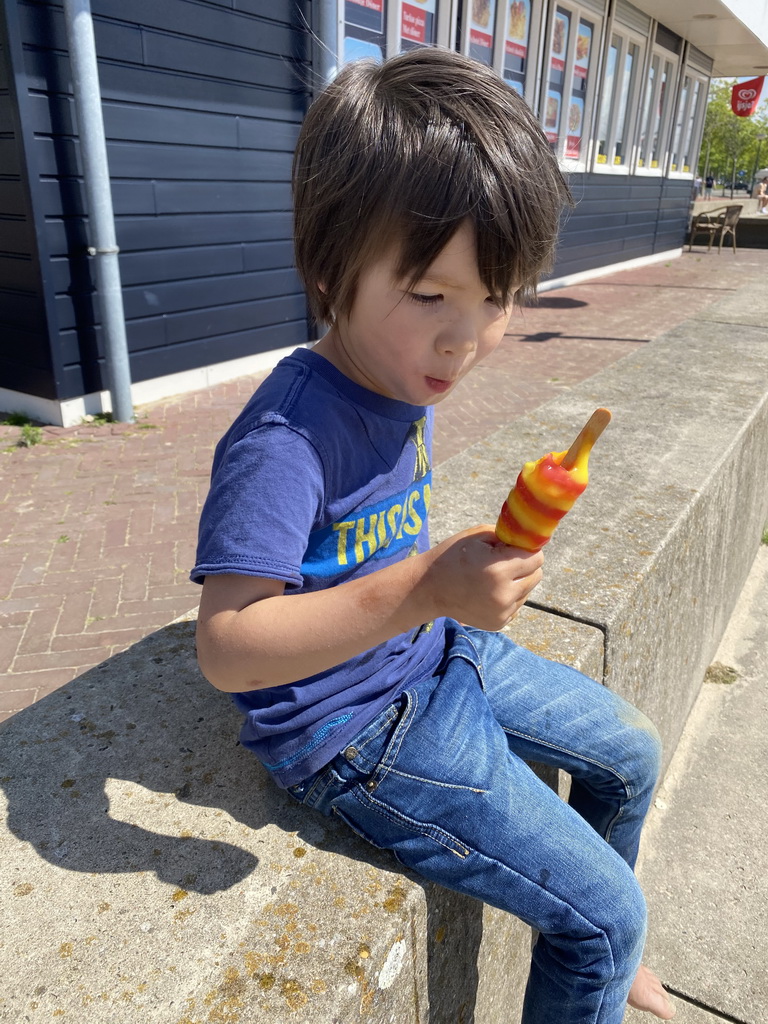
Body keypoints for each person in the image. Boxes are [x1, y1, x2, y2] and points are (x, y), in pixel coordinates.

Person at [192, 48, 674, 1024]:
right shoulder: (286, 438)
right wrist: (423, 589)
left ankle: (604, 960)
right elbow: (227, 644)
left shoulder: (405, 372)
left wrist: (450, 586)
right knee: (609, 912)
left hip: (430, 651)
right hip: (354, 730)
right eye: (432, 296)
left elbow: (386, 558)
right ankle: (603, 942)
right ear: (333, 265)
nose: (468, 339)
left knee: (631, 750)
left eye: (498, 297)